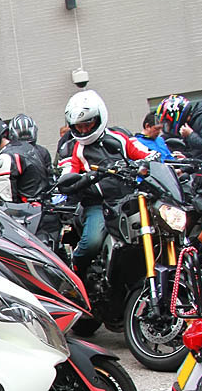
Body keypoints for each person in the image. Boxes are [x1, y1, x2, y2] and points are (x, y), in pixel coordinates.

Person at [59, 90, 154, 270]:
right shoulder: (75, 149)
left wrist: (171, 162)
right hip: (99, 205)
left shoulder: (119, 137)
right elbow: (67, 174)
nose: (84, 130)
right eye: (79, 127)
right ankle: (73, 274)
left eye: (88, 124)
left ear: (99, 117)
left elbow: (146, 154)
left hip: (130, 199)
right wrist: (80, 179)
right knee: (92, 242)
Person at [0, 113, 50, 203]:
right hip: (41, 206)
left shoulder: (6, 158)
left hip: (27, 212)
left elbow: (7, 202)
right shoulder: (24, 147)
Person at [156, 94, 202, 162]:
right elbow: (198, 152)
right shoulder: (190, 124)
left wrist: (190, 134)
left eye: (168, 122)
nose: (168, 126)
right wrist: (185, 156)